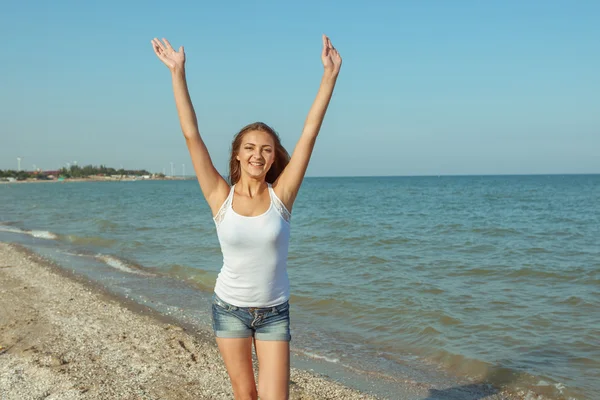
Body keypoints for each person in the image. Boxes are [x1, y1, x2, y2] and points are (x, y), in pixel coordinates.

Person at [151, 34, 342, 400]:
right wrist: (178, 73)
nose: (258, 155)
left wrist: (329, 76)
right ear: (237, 155)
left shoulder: (281, 196)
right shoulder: (219, 196)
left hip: (274, 313)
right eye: (250, 148)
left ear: (273, 158)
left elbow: (309, 134)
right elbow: (191, 135)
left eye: (266, 150)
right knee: (246, 396)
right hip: (230, 310)